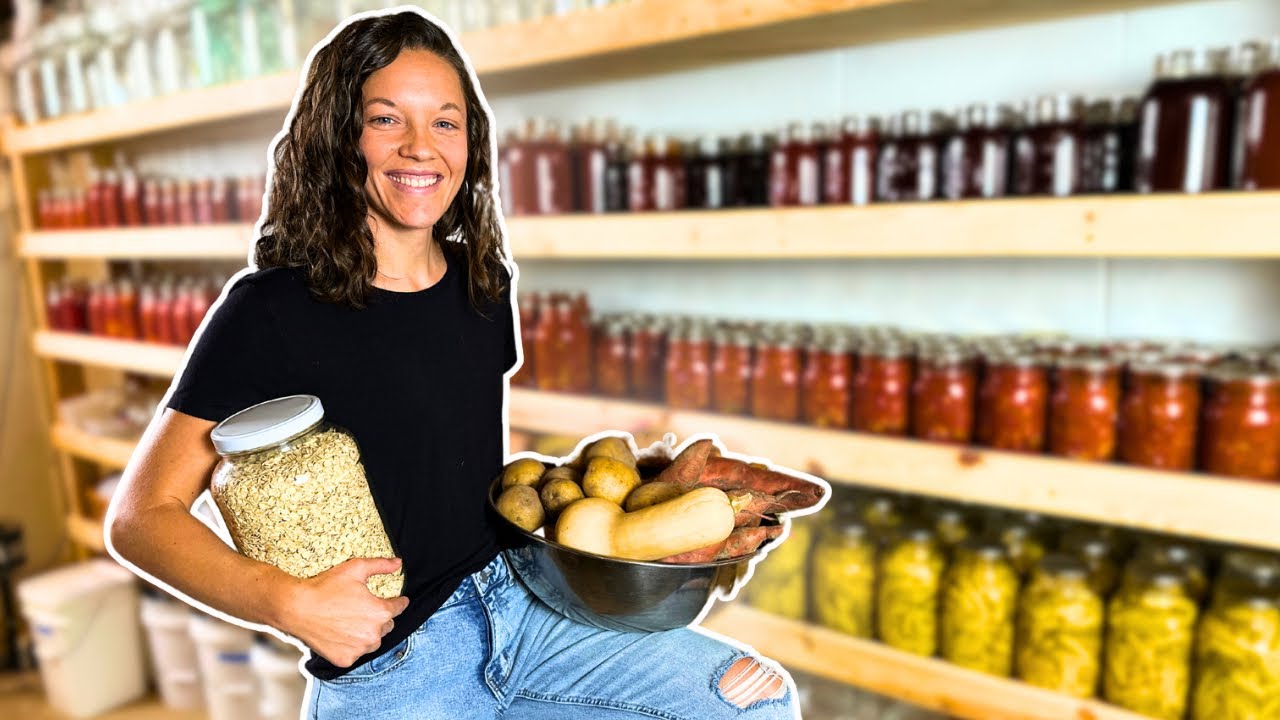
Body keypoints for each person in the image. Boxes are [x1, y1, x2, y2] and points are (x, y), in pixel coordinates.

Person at [108, 9, 797, 720]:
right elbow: (140, 518)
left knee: (753, 703)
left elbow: (450, 461)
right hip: (395, 666)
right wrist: (287, 602)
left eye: (445, 122)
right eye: (385, 119)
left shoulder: (483, 283)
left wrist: (658, 506)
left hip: (523, 609)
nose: (420, 147)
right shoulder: (271, 310)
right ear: (340, 136)